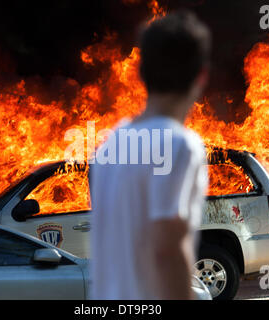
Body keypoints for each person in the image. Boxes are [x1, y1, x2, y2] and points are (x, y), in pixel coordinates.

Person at [90, 10, 211, 300]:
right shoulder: (180, 144)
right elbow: (167, 249)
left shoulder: (108, 146)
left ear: (141, 73)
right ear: (201, 75)